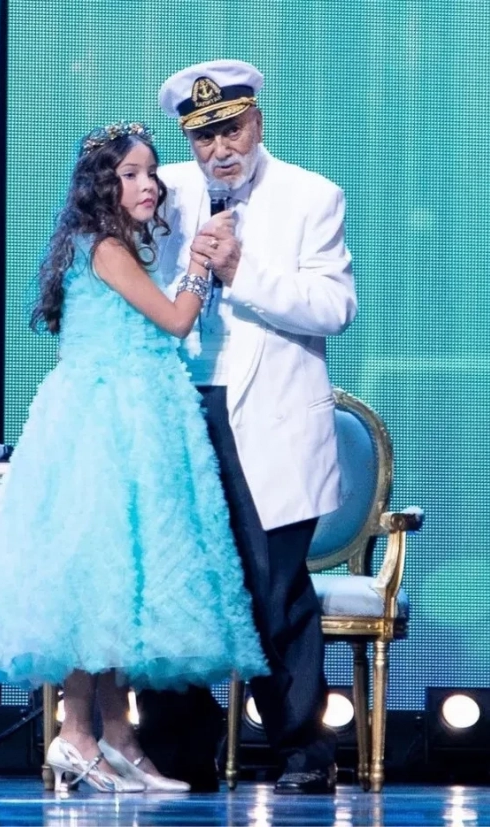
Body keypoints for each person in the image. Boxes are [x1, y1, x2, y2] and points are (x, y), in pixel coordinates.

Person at [0, 120, 268, 794]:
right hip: (109, 423)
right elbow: (175, 320)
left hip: (128, 414)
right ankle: (80, 733)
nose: (149, 186)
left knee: (118, 582)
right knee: (99, 577)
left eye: (152, 173)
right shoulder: (108, 248)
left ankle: (117, 736)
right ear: (101, 186)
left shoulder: (106, 245)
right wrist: (201, 265)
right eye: (131, 175)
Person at [151, 59, 358, 795]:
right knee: (172, 582)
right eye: (203, 137)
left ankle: (302, 748)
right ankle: (181, 747)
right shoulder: (164, 190)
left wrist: (242, 272)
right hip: (180, 409)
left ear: (257, 122)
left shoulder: (311, 196)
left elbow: (334, 308)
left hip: (268, 418)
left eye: (232, 130)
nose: (220, 149)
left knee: (273, 592)